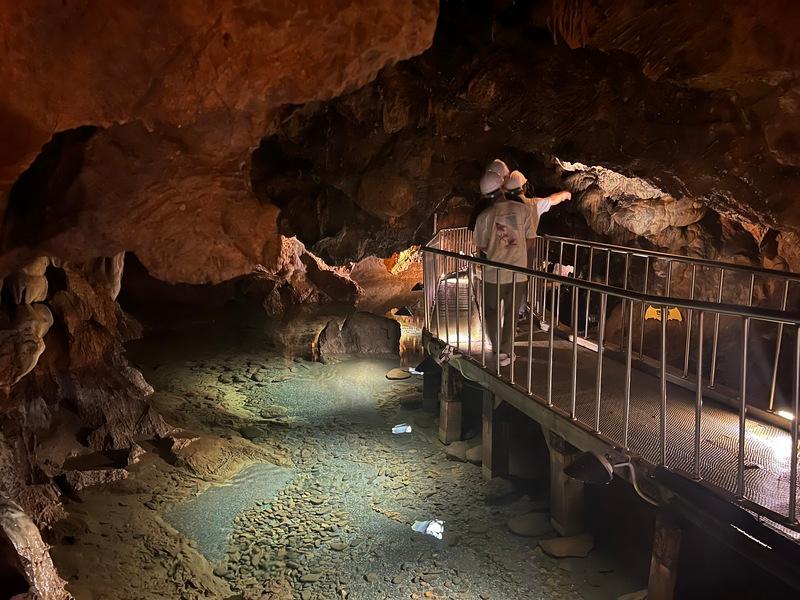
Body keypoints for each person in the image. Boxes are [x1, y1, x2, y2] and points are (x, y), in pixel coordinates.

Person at [473, 170, 532, 367]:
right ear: (502, 187)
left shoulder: (484, 217)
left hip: (493, 274)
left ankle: (498, 350)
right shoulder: (523, 210)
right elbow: (530, 240)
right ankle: (507, 353)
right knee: (511, 313)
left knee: (490, 312)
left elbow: (481, 246)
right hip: (518, 272)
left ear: (485, 195)